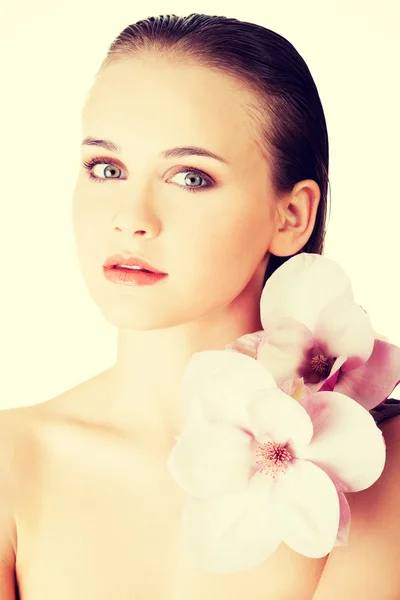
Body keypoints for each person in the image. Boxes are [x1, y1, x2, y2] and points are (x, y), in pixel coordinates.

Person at [1, 12, 400, 599]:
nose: (131, 219)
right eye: (106, 168)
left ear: (292, 217)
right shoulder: (13, 460)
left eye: (190, 177)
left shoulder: (382, 466)